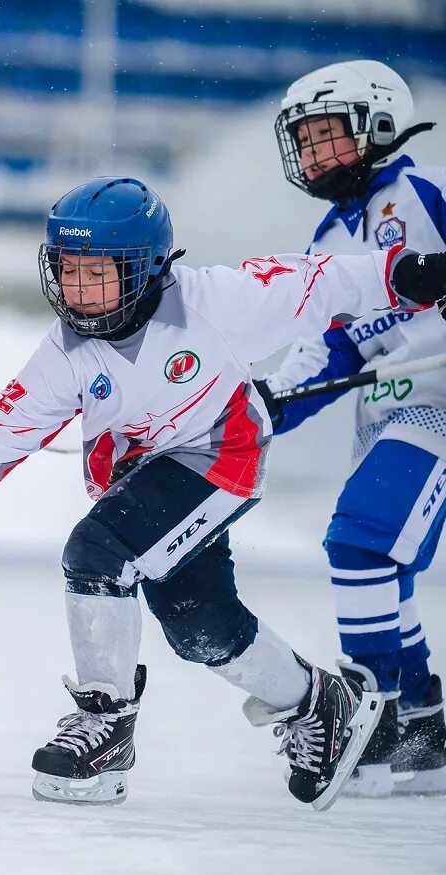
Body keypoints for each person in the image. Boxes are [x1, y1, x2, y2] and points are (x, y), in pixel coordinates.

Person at [0, 175, 446, 809]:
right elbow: (3, 429)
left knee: (98, 552)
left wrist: (405, 275)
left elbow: (319, 282)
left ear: (152, 268)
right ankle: (317, 702)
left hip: (219, 456)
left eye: (99, 273)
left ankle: (106, 724)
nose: (80, 291)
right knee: (200, 626)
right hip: (142, 480)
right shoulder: (66, 349)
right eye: (67, 270)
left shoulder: (218, 300)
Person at [259, 59, 446, 796]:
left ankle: (376, 718)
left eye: (325, 137)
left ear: (377, 124)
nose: (310, 156)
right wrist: (259, 404)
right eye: (302, 143)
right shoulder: (329, 240)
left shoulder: (425, 190)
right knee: (381, 564)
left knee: (359, 541)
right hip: (387, 413)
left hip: (438, 404)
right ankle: (426, 720)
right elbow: (324, 350)